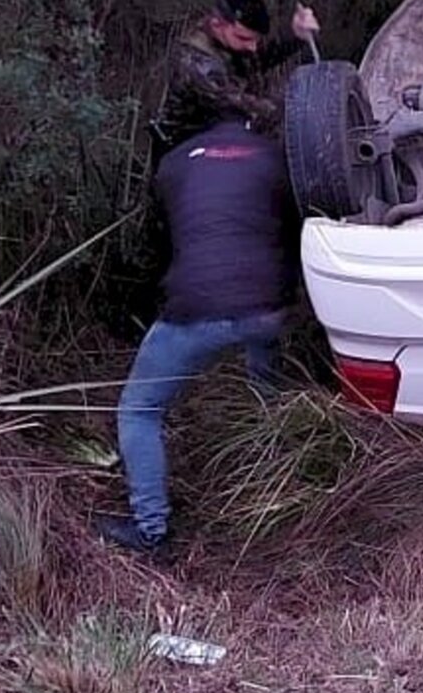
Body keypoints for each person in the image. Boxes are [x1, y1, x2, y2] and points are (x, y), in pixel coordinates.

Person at [95, 117, 300, 552]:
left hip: (198, 303)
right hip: (269, 306)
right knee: (268, 389)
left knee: (139, 410)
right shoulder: (273, 156)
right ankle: (285, 488)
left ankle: (151, 531)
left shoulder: (173, 164)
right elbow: (293, 229)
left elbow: (164, 244)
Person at [152, 0, 320, 154]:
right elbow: (247, 106)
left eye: (255, 40)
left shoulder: (228, 39)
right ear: (217, 24)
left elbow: (260, 57)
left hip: (222, 141)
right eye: (244, 39)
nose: (252, 47)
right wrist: (304, 106)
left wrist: (296, 36)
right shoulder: (195, 63)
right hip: (185, 155)